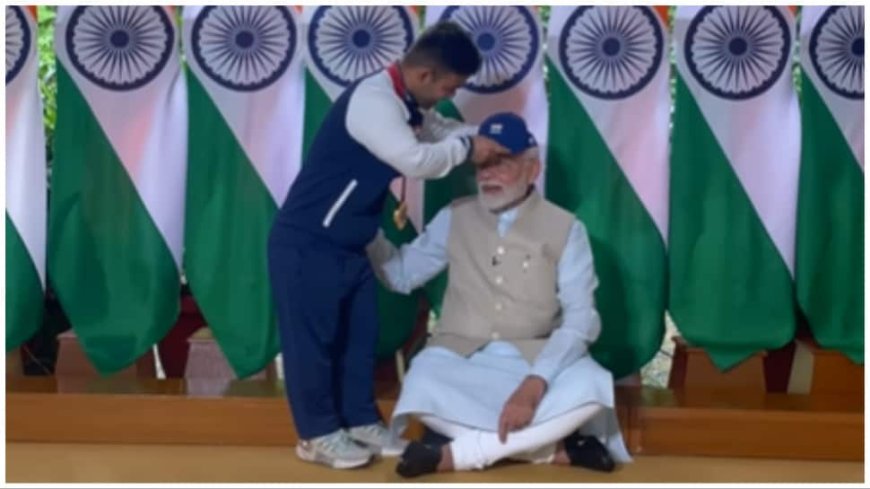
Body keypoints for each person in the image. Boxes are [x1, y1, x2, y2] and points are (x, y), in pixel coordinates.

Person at [267, 21, 507, 470]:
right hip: (307, 242)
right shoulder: (374, 100)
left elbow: (439, 130)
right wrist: (469, 147)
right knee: (313, 345)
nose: (447, 96)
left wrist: (485, 138)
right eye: (448, 87)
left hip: (352, 239)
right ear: (424, 77)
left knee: (358, 339)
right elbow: (415, 160)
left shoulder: (407, 100)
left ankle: (359, 420)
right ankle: (316, 435)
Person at [366, 112, 632, 477]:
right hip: (460, 358)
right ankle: (547, 451)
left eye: (501, 163)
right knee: (422, 381)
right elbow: (400, 274)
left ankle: (455, 455)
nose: (487, 175)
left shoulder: (567, 228)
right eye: (482, 165)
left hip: (535, 358)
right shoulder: (454, 216)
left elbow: (582, 317)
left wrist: (535, 384)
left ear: (532, 170)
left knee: (590, 385)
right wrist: (366, 233)